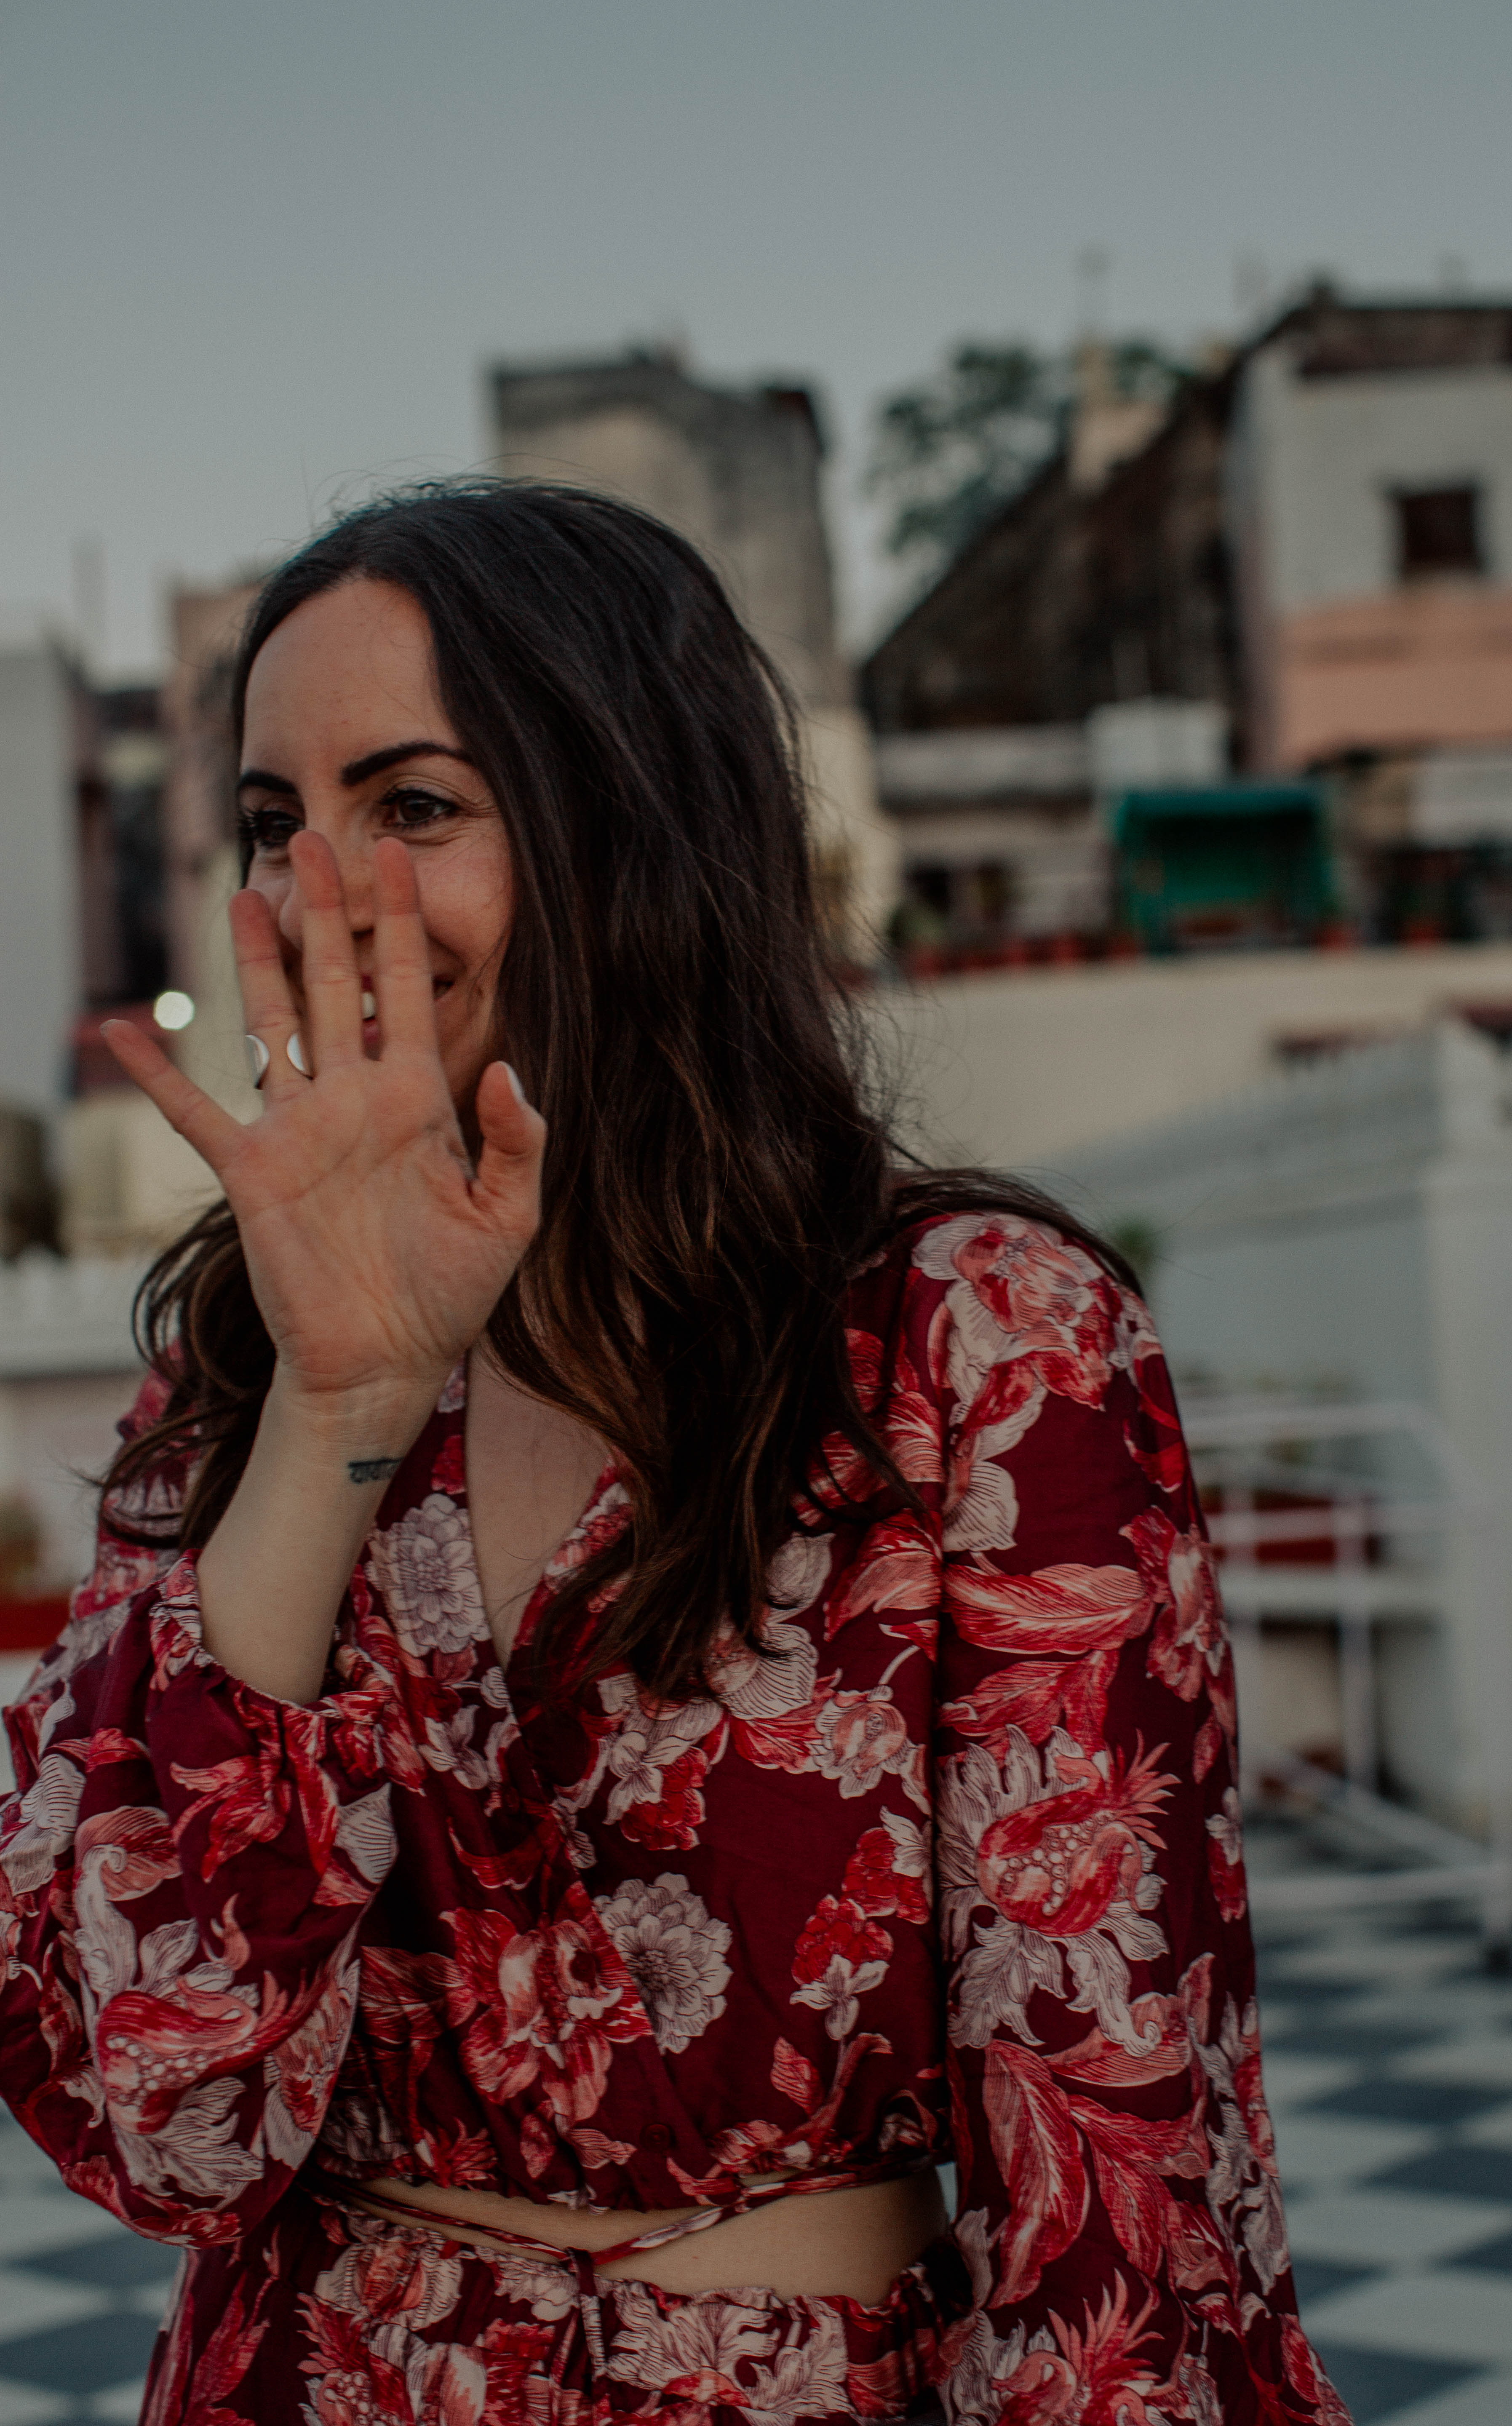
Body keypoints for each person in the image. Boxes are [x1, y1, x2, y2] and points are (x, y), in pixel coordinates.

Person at [0, 484, 1344, 2425]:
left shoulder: (973, 1345)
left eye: (416, 805)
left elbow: (1124, 2174)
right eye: (275, 822)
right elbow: (154, 2123)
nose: (318, 897)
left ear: (631, 813)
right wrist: (336, 1420)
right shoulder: (234, 1376)